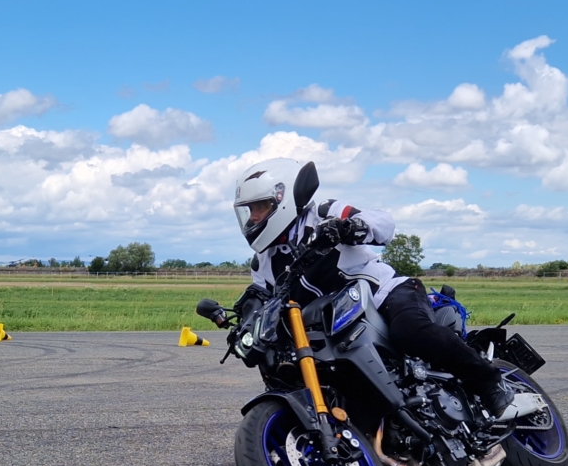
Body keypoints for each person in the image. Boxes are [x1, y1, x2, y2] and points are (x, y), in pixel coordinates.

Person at [232, 157, 542, 422]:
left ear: (282, 201)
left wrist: (351, 227)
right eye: (249, 211)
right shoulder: (264, 262)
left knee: (411, 330)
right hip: (335, 326)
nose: (254, 217)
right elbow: (265, 299)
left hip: (385, 294)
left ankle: (490, 384)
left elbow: (383, 223)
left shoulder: (324, 213)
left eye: (259, 207)